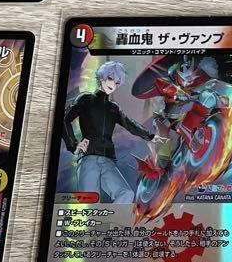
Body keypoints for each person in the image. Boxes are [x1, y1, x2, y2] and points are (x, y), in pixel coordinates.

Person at [62, 61, 162, 204]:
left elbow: (129, 124)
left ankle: (110, 218)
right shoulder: (86, 99)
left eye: (117, 82)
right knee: (89, 201)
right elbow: (65, 120)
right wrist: (74, 145)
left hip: (108, 160)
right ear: (101, 77)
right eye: (110, 78)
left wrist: (150, 136)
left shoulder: (113, 108)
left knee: (126, 194)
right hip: (89, 158)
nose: (113, 85)